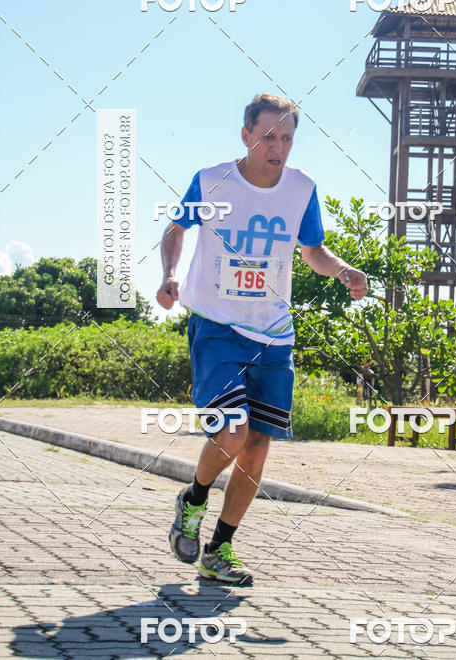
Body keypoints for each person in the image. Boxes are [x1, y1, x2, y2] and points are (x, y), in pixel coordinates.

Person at [156, 93, 368, 585]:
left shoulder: (301, 188)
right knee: (230, 431)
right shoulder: (212, 180)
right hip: (217, 325)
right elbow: (176, 227)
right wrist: (170, 275)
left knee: (255, 445)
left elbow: (313, 249)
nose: (279, 147)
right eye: (269, 136)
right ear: (246, 135)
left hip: (274, 334)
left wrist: (344, 272)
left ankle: (220, 550)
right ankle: (193, 498)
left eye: (288, 138)